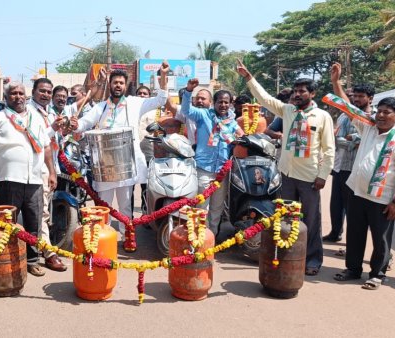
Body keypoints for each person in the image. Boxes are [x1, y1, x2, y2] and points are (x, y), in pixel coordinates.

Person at [238, 61, 335, 276]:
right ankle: (288, 254)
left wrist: (323, 176)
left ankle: (312, 260)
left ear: (312, 94)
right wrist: (248, 77)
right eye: (296, 91)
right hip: (287, 174)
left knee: (310, 220)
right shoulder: (288, 110)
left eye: (303, 91)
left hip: (310, 177)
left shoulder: (322, 117)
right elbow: (265, 99)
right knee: (284, 218)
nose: (298, 94)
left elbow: (329, 150)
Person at [329, 62, 395, 291]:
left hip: (382, 198)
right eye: (379, 111)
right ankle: (353, 269)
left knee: (381, 239)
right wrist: (336, 82)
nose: (381, 115)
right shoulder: (367, 127)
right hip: (357, 191)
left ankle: (377, 274)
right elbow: (346, 106)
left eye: (386, 113)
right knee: (355, 234)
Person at [74, 63, 169, 234]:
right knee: (105, 205)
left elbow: (160, 100)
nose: (118, 85)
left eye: (121, 83)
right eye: (115, 82)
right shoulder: (101, 107)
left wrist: (162, 77)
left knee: (125, 205)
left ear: (125, 86)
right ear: (110, 85)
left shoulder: (135, 103)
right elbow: (84, 123)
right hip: (105, 165)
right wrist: (74, 124)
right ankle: (104, 238)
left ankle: (128, 236)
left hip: (126, 163)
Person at [0, 82, 57, 277]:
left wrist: (52, 172)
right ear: (6, 97)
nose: (18, 97)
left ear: (27, 96)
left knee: (35, 221)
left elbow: (47, 147)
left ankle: (32, 261)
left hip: (34, 180)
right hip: (7, 180)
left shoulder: (37, 119)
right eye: (13, 93)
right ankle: (8, 259)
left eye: (21, 93)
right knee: (7, 224)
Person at [181, 78, 241, 234]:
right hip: (204, 169)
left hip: (222, 172)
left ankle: (211, 238)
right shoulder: (203, 115)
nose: (223, 105)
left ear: (230, 104)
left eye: (226, 102)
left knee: (217, 208)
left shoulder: (232, 123)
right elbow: (186, 111)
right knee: (202, 206)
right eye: (220, 102)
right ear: (214, 103)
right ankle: (200, 238)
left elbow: (241, 137)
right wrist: (188, 92)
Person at [26, 79, 67, 273]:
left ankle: (38, 249)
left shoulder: (50, 111)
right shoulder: (29, 112)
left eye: (49, 92)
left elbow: (57, 139)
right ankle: (48, 253)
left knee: (43, 210)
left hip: (51, 165)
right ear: (33, 92)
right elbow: (38, 139)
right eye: (42, 91)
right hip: (36, 167)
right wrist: (54, 128)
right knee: (41, 211)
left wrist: (65, 129)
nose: (46, 95)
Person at [324, 84, 373, 242]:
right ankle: (335, 232)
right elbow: (343, 138)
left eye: (360, 96)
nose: (355, 99)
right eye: (354, 96)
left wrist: (340, 140)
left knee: (352, 208)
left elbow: (358, 140)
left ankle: (354, 243)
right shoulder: (344, 116)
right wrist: (346, 139)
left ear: (370, 98)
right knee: (336, 204)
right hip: (339, 165)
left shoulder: (371, 117)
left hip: (354, 168)